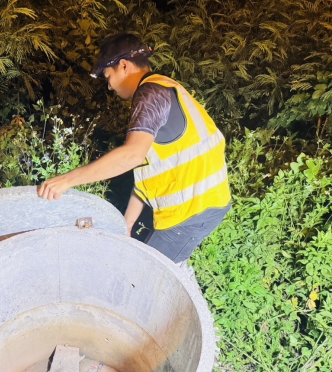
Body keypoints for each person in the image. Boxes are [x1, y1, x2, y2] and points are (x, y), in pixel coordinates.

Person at [37, 33, 231, 265]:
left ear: (124, 66)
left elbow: (131, 155)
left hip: (191, 212)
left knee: (143, 276)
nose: (109, 86)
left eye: (108, 77)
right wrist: (127, 224)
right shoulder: (164, 87)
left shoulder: (150, 95)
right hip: (202, 204)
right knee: (161, 267)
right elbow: (148, 172)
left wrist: (67, 181)